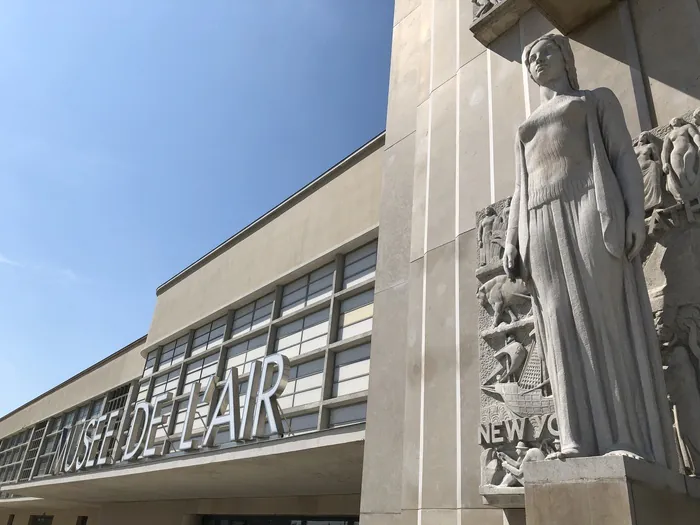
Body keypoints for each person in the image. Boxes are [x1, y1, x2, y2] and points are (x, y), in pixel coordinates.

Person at [503, 34, 677, 468]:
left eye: (546, 52)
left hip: (587, 206)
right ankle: (576, 437)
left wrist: (635, 214)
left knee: (604, 315)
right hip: (539, 223)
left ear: (565, 58)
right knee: (558, 324)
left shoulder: (595, 100)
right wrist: (510, 238)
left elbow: (621, 157)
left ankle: (625, 434)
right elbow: (520, 189)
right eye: (530, 58)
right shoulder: (525, 128)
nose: (537, 61)